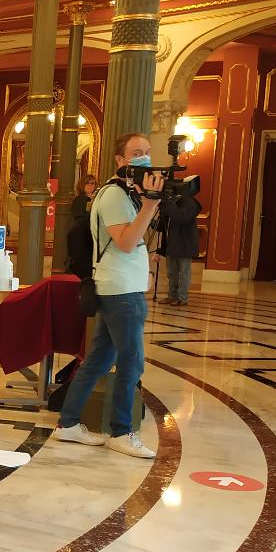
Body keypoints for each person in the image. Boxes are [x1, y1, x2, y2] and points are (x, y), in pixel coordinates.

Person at [52, 132, 162, 459]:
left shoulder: (125, 193)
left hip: (122, 286)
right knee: (132, 364)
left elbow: (136, 238)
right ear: (119, 159)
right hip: (121, 291)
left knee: (98, 361)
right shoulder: (114, 195)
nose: (144, 157)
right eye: (136, 152)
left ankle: (68, 424)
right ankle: (121, 432)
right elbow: (126, 242)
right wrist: (150, 204)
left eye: (147, 152)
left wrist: (146, 203)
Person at [153, 191, 201, 305]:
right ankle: (172, 295)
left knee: (183, 273)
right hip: (171, 244)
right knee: (171, 273)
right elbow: (164, 226)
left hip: (184, 244)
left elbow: (181, 217)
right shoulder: (172, 204)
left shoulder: (189, 203)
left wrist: (169, 204)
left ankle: (183, 298)